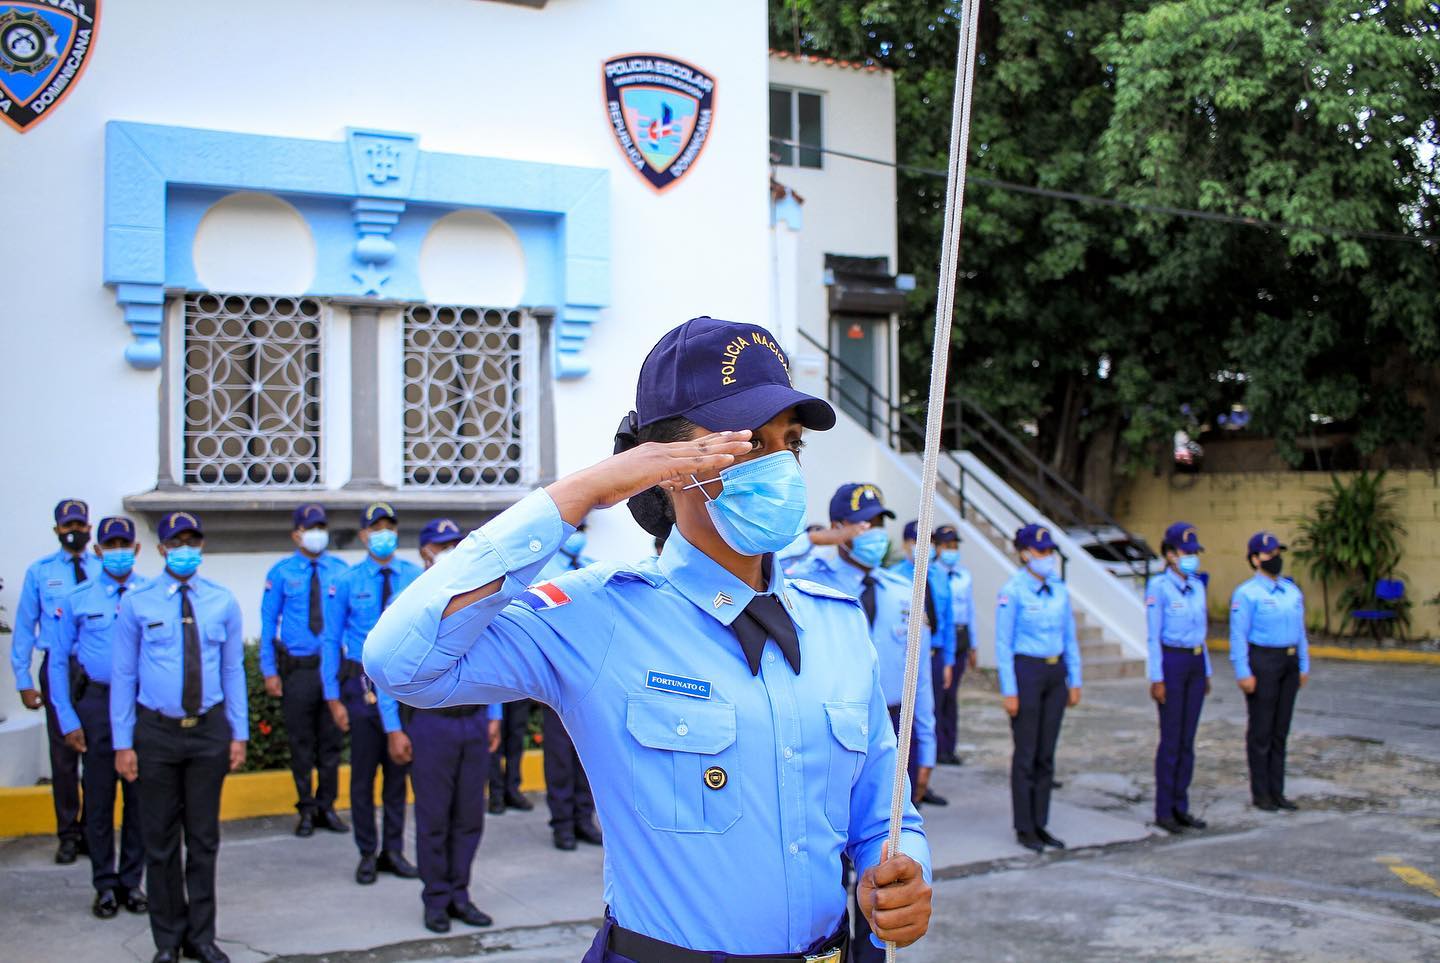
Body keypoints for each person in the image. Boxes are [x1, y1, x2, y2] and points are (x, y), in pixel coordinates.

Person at [366, 316, 932, 961]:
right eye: (748, 446)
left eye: (791, 444)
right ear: (662, 465)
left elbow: (883, 813)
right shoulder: (599, 617)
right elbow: (402, 664)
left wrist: (904, 870)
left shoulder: (833, 620)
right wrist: (580, 494)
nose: (779, 468)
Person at [111, 511, 248, 963]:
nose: (185, 550)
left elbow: (232, 670)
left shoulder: (221, 601)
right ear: (161, 549)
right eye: (177, 542)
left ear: (201, 547)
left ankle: (201, 937)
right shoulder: (138, 602)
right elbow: (124, 673)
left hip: (207, 730)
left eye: (193, 541)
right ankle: (167, 941)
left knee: (204, 840)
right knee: (161, 841)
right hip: (156, 733)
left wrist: (238, 733)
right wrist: (123, 742)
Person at [790, 488, 938, 807]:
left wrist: (927, 743)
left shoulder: (902, 591)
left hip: (897, 722)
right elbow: (764, 559)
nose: (872, 533)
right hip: (834, 725)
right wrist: (816, 539)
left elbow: (919, 673)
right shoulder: (806, 581)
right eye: (861, 524)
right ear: (837, 527)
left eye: (877, 524)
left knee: (891, 834)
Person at [406, 518, 504, 933]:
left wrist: (495, 715)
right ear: (424, 552)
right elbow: (388, 665)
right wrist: (395, 727)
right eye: (441, 544)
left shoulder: (476, 596)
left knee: (469, 816)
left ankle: (460, 894)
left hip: (474, 720)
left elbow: (495, 658)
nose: (448, 550)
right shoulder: (412, 597)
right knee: (433, 817)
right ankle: (436, 898)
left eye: (455, 543)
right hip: (431, 723)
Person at [50, 516, 149, 919]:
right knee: (99, 798)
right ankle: (105, 885)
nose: (119, 551)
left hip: (141, 706)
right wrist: (67, 718)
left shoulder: (150, 594)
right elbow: (58, 662)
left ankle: (132, 882)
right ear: (98, 550)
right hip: (96, 705)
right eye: (111, 545)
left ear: (137, 549)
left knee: (139, 798)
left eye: (125, 544)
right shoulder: (78, 598)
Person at [323, 503, 420, 884]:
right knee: (363, 775)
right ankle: (367, 851)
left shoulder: (413, 576)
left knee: (397, 772)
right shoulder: (347, 581)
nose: (384, 534)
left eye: (389, 527)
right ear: (363, 536)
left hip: (401, 685)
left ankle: (392, 850)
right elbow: (330, 639)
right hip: (359, 686)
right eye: (375, 528)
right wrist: (332, 696)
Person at [12, 498, 96, 863]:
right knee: (63, 755)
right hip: (58, 669)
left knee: (97, 752)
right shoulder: (41, 572)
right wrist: (23, 680)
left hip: (95, 669)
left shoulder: (103, 567)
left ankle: (93, 828)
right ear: (57, 531)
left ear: (89, 528)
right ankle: (67, 832)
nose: (74, 532)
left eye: (79, 525)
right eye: (67, 526)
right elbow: (25, 627)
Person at [259, 503, 350, 836]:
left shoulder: (340, 570)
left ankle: (328, 806)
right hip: (298, 670)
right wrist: (269, 670)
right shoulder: (282, 573)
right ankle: (306, 809)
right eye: (310, 527)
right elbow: (269, 622)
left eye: (321, 526)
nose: (317, 533)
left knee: (330, 742)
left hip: (332, 669)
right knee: (301, 743)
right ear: (296, 533)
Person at [995, 524, 1082, 854]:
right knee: (1026, 753)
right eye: (1041, 552)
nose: (1047, 558)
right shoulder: (1013, 590)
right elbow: (1003, 644)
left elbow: (1069, 636)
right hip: (1027, 671)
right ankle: (1024, 826)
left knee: (1047, 754)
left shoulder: (1059, 589)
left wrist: (1075, 679)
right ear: (1025, 553)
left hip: (1054, 671)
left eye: (1049, 552)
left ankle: (1041, 823)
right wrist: (1010, 691)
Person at [536, 519, 603, 851]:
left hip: (590, 676)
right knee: (560, 756)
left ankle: (582, 817)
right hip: (559, 676)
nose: (579, 536)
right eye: (575, 528)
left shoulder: (592, 570)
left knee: (586, 754)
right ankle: (561, 823)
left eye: (584, 529)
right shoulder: (545, 574)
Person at [1230, 531, 1309, 813]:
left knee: (1280, 729)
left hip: (1288, 661)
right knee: (1261, 730)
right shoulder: (1247, 593)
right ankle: (1261, 793)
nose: (1275, 559)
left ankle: (1278, 791)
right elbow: (1238, 635)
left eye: (1277, 553)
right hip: (1263, 660)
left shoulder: (1291, 590)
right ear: (1254, 559)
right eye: (1269, 554)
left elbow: (1300, 631)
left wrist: (1303, 664)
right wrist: (1243, 671)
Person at [1146, 522, 1212, 834]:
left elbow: (1201, 633)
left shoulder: (1198, 586)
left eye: (1194, 552)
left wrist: (1207, 669)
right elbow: (1153, 636)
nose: (1191, 558)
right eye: (1185, 552)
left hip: (1195, 662)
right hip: (1172, 660)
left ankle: (1181, 805)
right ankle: (1165, 809)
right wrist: (1157, 677)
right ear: (1171, 555)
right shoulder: (1159, 588)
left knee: (1188, 740)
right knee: (1171, 739)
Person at [931, 525, 977, 767]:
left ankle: (950, 747)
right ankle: (936, 747)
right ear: (937, 548)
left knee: (952, 697)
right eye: (947, 546)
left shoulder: (963, 575)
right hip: (941, 637)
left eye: (954, 547)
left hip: (960, 636)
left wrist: (974, 644)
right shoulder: (931, 575)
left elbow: (970, 610)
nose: (951, 551)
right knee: (938, 697)